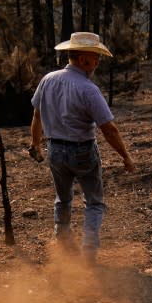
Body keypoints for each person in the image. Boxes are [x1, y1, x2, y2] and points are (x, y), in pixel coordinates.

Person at [30, 32, 135, 264]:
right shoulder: (88, 89)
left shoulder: (47, 80)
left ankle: (63, 244)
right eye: (95, 57)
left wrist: (35, 144)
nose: (97, 62)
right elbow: (109, 129)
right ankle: (89, 251)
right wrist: (126, 157)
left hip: (55, 150)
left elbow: (37, 116)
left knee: (63, 198)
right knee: (94, 201)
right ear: (83, 59)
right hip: (83, 151)